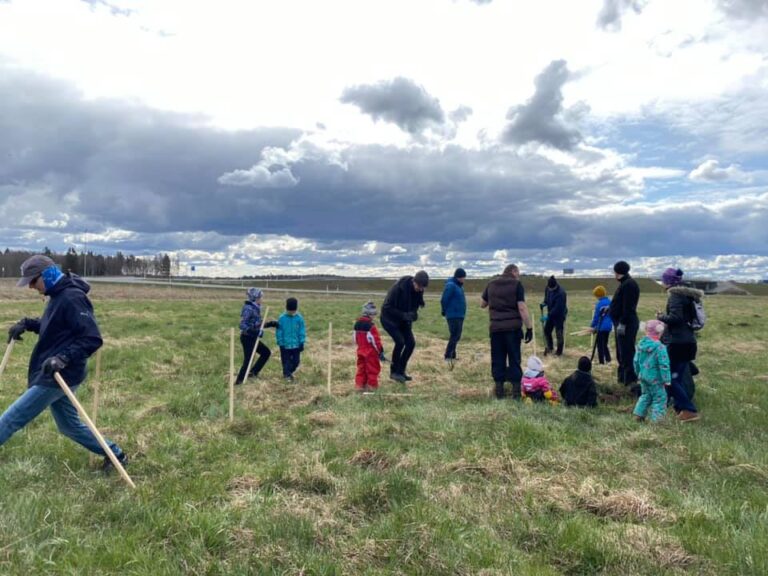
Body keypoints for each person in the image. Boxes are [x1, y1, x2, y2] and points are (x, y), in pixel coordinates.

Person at [1, 254, 127, 471]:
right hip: (53, 371)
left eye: (33, 281)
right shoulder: (57, 296)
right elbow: (57, 328)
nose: (31, 287)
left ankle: (116, 455)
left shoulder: (72, 298)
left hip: (59, 375)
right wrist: (28, 324)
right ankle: (116, 454)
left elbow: (91, 338)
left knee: (11, 418)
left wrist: (62, 358)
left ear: (48, 275)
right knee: (70, 427)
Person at [481, 264, 533, 399]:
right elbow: (521, 307)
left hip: (496, 329)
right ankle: (516, 391)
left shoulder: (491, 284)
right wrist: (529, 327)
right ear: (513, 271)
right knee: (514, 358)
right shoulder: (517, 285)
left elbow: (482, 304)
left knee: (497, 358)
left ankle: (499, 390)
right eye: (518, 272)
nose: (519, 275)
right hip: (513, 328)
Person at [657, 267, 702, 422]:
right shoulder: (689, 296)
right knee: (677, 376)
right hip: (689, 341)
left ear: (668, 282)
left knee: (669, 378)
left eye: (663, 280)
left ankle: (688, 410)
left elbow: (676, 318)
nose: (661, 283)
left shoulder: (675, 295)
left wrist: (661, 317)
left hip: (678, 343)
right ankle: (679, 408)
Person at [381, 271, 429, 383]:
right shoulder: (398, 288)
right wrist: (404, 315)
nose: (421, 289)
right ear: (414, 282)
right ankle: (393, 372)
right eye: (419, 286)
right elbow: (387, 307)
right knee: (400, 342)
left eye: (423, 288)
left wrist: (413, 314)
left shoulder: (419, 290)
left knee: (411, 343)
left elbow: (415, 305)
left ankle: (401, 371)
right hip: (389, 319)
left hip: (404, 321)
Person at [235, 288, 277, 385]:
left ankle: (253, 373)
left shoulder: (256, 308)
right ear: (255, 298)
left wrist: (270, 324)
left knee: (266, 353)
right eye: (260, 297)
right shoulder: (248, 308)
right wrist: (255, 332)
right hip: (247, 338)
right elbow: (242, 325)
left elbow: (257, 324)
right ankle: (239, 381)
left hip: (253, 337)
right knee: (248, 360)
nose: (262, 299)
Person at [632, 320, 670, 423]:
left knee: (645, 396)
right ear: (659, 331)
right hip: (656, 379)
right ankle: (657, 422)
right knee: (660, 398)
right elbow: (664, 365)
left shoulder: (640, 345)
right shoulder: (660, 347)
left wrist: (638, 373)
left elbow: (635, 361)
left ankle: (638, 416)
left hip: (643, 376)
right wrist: (666, 379)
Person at [609, 260, 640, 387]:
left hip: (626, 324)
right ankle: (622, 379)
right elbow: (620, 302)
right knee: (621, 353)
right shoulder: (625, 283)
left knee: (627, 353)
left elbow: (628, 308)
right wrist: (610, 308)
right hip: (622, 323)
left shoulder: (629, 285)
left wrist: (622, 323)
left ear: (617, 272)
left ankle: (630, 381)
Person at [354, 301, 385, 392]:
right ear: (369, 314)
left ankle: (359, 385)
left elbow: (354, 339)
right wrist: (380, 351)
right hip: (371, 352)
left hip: (360, 350)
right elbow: (376, 341)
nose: (374, 317)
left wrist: (360, 346)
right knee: (372, 369)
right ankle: (372, 386)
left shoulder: (356, 325)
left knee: (361, 368)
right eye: (373, 314)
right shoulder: (371, 326)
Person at [440, 268, 467, 369]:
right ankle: (448, 355)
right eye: (463, 277)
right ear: (459, 277)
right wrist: (444, 310)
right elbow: (444, 299)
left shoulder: (459, 286)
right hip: (453, 315)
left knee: (457, 335)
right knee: (455, 335)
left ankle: (452, 355)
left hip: (459, 315)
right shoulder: (451, 286)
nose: (464, 279)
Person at [275, 297, 306, 382]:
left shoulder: (299, 318)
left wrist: (302, 342)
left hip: (296, 345)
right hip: (285, 345)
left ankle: (288, 373)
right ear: (287, 308)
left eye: (294, 311)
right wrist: (280, 343)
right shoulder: (282, 318)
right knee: (286, 362)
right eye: (290, 311)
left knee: (296, 362)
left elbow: (302, 330)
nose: (292, 313)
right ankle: (287, 376)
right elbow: (279, 331)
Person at [542, 275, 567, 356]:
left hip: (559, 315)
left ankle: (559, 352)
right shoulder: (548, 288)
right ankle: (550, 347)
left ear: (555, 286)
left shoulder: (561, 293)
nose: (550, 290)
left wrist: (547, 316)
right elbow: (546, 298)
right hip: (551, 314)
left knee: (559, 333)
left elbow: (557, 309)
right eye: (549, 288)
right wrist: (544, 303)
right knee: (546, 331)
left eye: (551, 289)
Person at [590, 285, 613, 364]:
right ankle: (608, 359)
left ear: (598, 295)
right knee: (605, 344)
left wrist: (592, 326)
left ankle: (601, 362)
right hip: (609, 326)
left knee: (600, 345)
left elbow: (596, 317)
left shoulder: (599, 304)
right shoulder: (610, 302)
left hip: (601, 327)